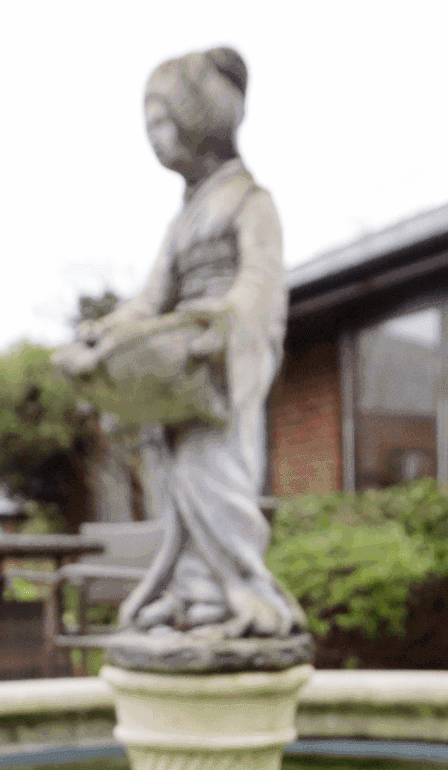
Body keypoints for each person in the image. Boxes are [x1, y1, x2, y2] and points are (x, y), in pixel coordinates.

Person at [55, 48, 302, 641]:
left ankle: (239, 592)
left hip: (220, 360)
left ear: (200, 120)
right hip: (179, 367)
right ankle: (194, 595)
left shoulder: (251, 201)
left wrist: (221, 319)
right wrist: (103, 333)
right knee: (180, 487)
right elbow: (148, 302)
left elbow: (261, 285)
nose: (157, 141)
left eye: (164, 123)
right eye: (150, 129)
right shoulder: (181, 220)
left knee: (215, 471)